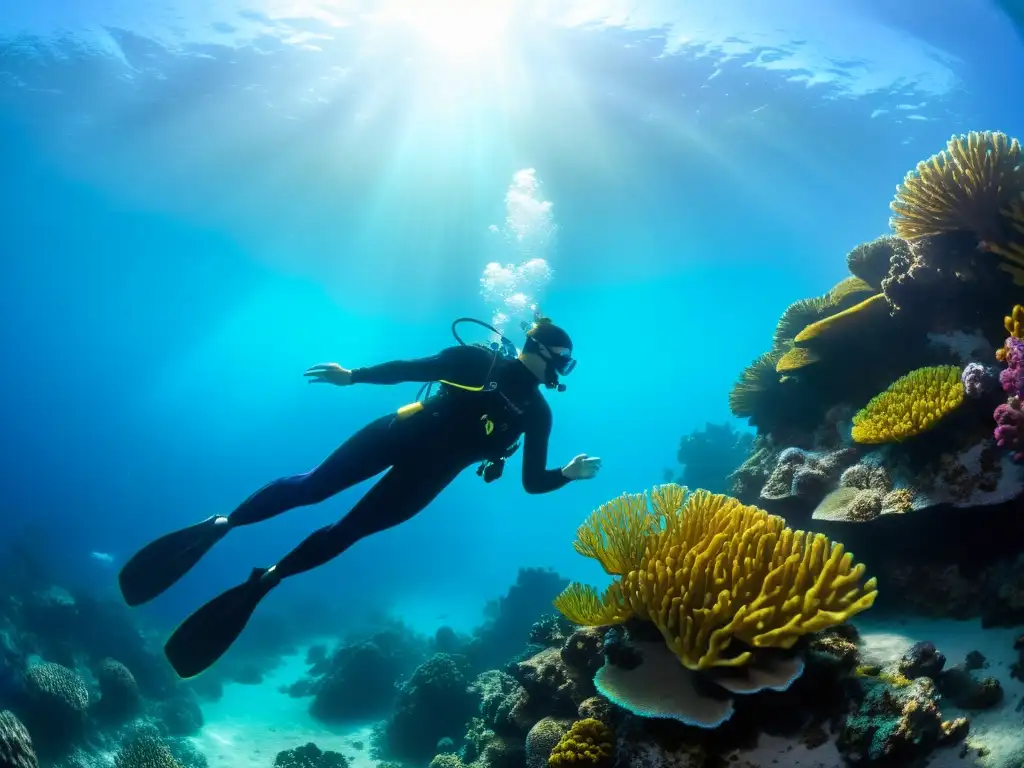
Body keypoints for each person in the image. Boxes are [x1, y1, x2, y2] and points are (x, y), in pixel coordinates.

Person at [118, 317, 601, 679]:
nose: (565, 369)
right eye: (563, 358)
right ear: (539, 349)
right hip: (396, 434)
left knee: (346, 532)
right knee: (313, 488)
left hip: (426, 478)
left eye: (569, 362)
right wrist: (353, 376)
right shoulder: (483, 360)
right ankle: (223, 525)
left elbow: (533, 481)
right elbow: (413, 368)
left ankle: (267, 580)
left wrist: (568, 474)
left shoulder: (538, 414)